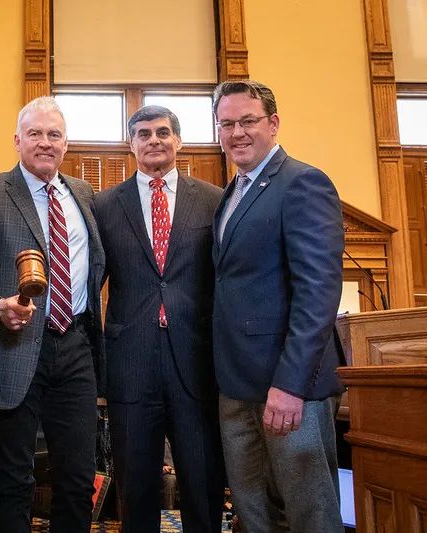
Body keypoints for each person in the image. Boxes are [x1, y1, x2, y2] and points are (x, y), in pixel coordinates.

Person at [0, 96, 105, 533]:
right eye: (35, 134)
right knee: (12, 479)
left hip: (75, 345)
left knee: (79, 478)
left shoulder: (84, 195)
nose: (45, 142)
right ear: (17, 140)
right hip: (13, 345)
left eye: (54, 134)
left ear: (66, 143)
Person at [212, 79, 345, 533]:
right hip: (236, 383)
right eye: (226, 124)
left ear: (273, 123)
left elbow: (317, 292)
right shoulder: (231, 192)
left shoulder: (303, 182)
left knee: (308, 511)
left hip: (290, 386)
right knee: (252, 510)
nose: (237, 133)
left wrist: (290, 385)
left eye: (247, 121)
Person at [93, 105, 225, 533]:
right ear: (131, 144)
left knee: (203, 484)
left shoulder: (213, 199)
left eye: (163, 132)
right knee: (136, 489)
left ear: (179, 141)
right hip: (131, 364)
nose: (154, 140)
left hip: (196, 364)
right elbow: (90, 281)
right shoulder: (105, 205)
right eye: (144, 133)